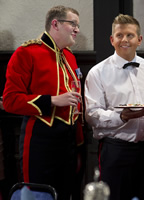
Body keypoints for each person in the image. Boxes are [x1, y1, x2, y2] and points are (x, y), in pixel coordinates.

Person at [84, 14, 144, 200]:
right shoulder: (97, 73)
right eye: (119, 35)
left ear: (139, 40)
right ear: (112, 39)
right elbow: (91, 115)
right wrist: (121, 117)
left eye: (130, 35)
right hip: (115, 150)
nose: (124, 40)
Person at [3, 5, 84, 200]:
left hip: (70, 141)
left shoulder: (70, 57)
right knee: (39, 195)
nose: (77, 29)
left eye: (78, 25)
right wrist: (53, 101)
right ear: (55, 24)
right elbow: (10, 101)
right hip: (41, 140)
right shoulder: (27, 52)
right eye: (72, 23)